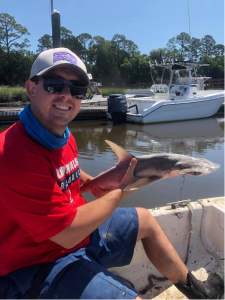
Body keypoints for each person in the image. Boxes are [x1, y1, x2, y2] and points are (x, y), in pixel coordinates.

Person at [0, 47, 224, 300]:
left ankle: (199, 293)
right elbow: (67, 232)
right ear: (31, 89)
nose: (66, 95)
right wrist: (122, 189)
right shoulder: (12, 153)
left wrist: (91, 182)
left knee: (146, 220)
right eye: (54, 85)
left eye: (77, 90)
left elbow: (67, 174)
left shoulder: (61, 135)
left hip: (73, 236)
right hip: (34, 264)